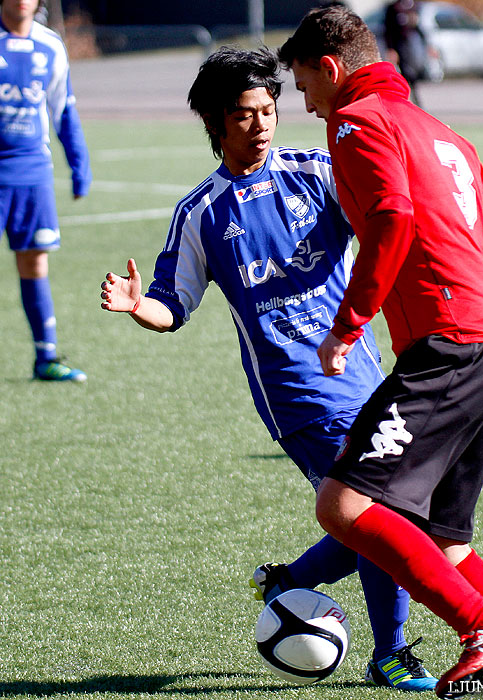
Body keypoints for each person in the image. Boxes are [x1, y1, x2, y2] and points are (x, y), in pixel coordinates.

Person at [100, 46, 436, 692]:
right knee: (380, 513)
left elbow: (386, 219)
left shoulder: (320, 172)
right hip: (298, 399)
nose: (261, 124)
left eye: (268, 110)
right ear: (215, 126)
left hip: (364, 375)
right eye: (244, 116)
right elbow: (174, 306)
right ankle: (388, 653)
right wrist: (136, 305)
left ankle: (287, 582)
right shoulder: (201, 215)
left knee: (376, 515)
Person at [278, 7, 483, 700]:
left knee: (343, 506)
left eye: (304, 88)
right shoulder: (444, 133)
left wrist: (347, 325)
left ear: (330, 70)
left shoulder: (357, 124)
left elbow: (391, 215)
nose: (305, 104)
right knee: (446, 544)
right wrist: (451, 277)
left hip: (445, 348)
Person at [0, 0, 91, 381]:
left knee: (35, 261)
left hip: (32, 171)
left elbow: (63, 108)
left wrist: (79, 164)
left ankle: (46, 357)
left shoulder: (51, 45)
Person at [383, 0, 428, 106]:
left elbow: (420, 28)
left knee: (413, 75)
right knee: (402, 74)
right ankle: (401, 101)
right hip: (399, 45)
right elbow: (388, 31)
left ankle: (416, 103)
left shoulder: (414, 6)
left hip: (412, 45)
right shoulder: (393, 8)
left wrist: (426, 45)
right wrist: (390, 49)